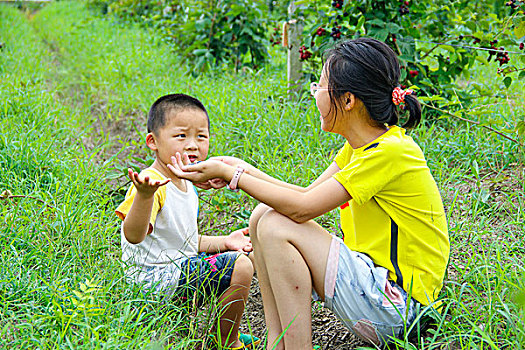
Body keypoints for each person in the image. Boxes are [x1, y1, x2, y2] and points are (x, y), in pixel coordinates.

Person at [169, 38, 450, 349]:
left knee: (277, 225)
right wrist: (240, 168)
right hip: (375, 289)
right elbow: (305, 194)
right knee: (263, 214)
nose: (314, 92)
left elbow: (302, 209)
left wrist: (232, 176)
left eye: (320, 84)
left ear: (347, 101)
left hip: (399, 307)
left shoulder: (390, 153)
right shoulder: (362, 148)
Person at [115, 93, 260, 350]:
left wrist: (225, 241)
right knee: (240, 265)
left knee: (239, 255)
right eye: (181, 136)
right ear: (153, 141)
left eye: (201, 136)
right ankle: (226, 341)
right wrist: (144, 197)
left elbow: (183, 241)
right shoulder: (152, 183)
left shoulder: (185, 184)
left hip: (174, 271)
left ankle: (190, 329)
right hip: (151, 281)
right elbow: (133, 235)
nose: (193, 145)